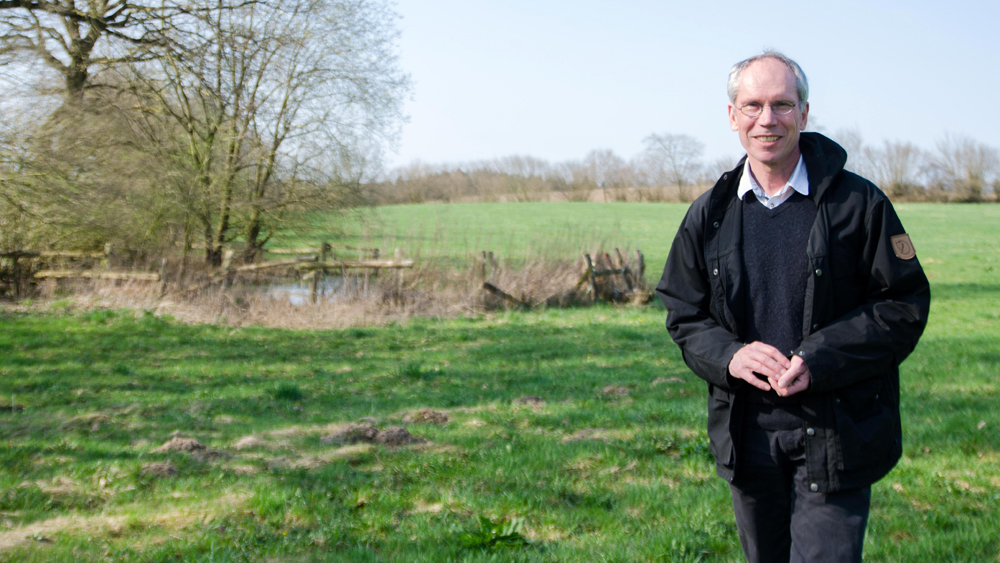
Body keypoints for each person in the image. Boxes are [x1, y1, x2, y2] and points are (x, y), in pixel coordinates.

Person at [655, 51, 930, 563]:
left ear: (804, 114)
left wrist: (821, 358)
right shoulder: (710, 212)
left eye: (783, 105)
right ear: (732, 115)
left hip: (836, 433)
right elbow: (682, 310)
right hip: (748, 436)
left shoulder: (860, 204)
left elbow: (903, 304)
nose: (768, 119)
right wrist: (730, 357)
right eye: (753, 105)